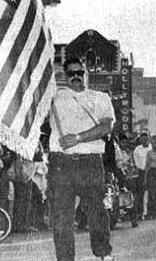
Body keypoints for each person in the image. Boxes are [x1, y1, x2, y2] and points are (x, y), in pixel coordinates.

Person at [48, 57, 115, 261]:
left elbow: (106, 126)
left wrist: (77, 138)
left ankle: (103, 254)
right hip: (61, 163)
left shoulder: (100, 98)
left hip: (90, 162)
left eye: (80, 72)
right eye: (71, 73)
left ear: (87, 73)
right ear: (65, 76)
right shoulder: (53, 99)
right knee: (61, 220)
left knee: (97, 214)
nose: (76, 76)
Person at [132, 133, 151, 219]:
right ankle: (139, 212)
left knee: (151, 193)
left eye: (146, 139)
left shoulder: (151, 148)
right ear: (140, 140)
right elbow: (136, 162)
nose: (145, 141)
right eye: (143, 139)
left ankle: (150, 212)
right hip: (141, 172)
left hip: (151, 172)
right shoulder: (137, 149)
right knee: (140, 193)